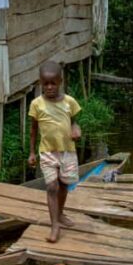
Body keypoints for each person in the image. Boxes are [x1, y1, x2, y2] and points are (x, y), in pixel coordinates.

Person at [27, 60, 82, 243]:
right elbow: (33, 130)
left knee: (64, 184)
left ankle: (60, 214)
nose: (49, 87)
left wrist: (76, 129)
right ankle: (55, 225)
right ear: (40, 83)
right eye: (45, 84)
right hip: (47, 152)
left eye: (53, 83)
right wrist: (32, 153)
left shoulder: (69, 102)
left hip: (67, 151)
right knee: (52, 186)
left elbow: (74, 121)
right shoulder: (36, 104)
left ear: (60, 81)